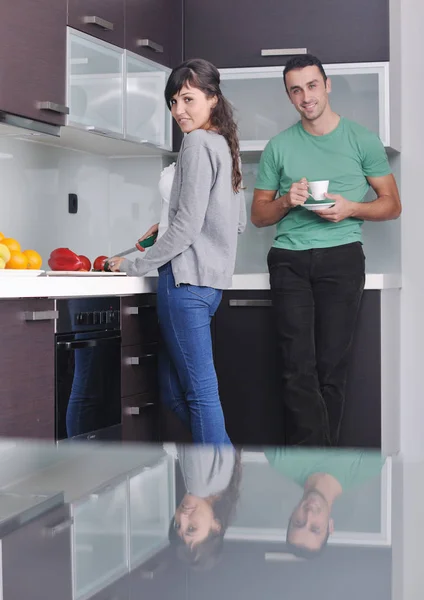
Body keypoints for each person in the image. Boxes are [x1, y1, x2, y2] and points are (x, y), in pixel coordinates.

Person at [251, 54, 401, 446]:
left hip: (342, 257)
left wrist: (352, 208)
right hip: (290, 260)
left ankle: (315, 482)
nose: (306, 97)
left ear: (327, 85)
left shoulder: (361, 139)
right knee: (296, 369)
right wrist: (286, 200)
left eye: (312, 86)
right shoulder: (278, 146)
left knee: (331, 368)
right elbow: (259, 216)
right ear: (289, 96)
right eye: (296, 90)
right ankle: (319, 481)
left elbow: (392, 204)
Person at [109, 58, 246, 444]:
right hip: (209, 286)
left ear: (212, 99)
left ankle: (216, 488)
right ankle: (223, 466)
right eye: (173, 102)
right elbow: (235, 223)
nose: (178, 111)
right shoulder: (225, 144)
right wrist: (168, 228)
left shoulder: (198, 142)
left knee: (201, 395)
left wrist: (136, 265)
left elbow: (187, 226)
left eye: (188, 99)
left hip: (184, 285)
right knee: (172, 392)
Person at [265, 446, 385, 558]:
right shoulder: (368, 466)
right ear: (330, 526)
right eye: (315, 528)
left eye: (298, 522)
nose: (309, 514)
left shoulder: (279, 458)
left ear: (292, 514)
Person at [167, 443, 242, 569]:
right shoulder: (198, 484)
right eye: (191, 528)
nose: (183, 517)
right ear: (216, 526)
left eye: (177, 525)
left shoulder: (220, 483)